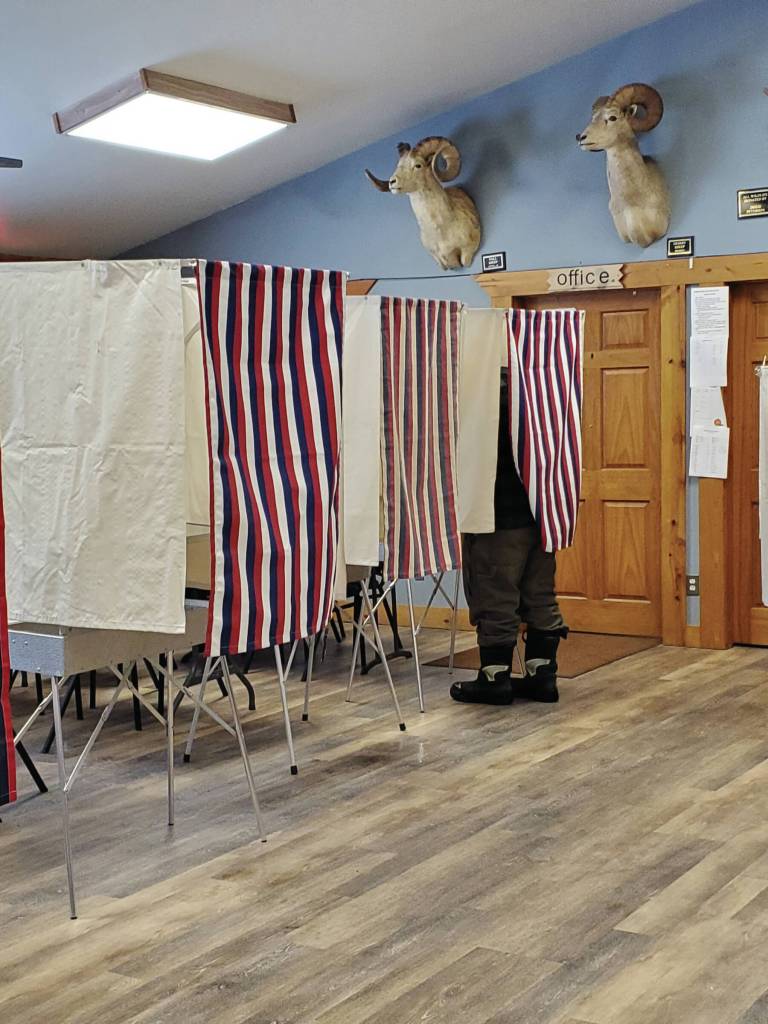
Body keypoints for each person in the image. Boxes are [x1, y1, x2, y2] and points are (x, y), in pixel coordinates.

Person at [450, 367, 568, 706]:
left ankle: (494, 679)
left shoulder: (479, 399)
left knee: (496, 597)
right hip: (542, 512)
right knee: (540, 595)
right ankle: (542, 677)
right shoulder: (541, 394)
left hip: (497, 517)